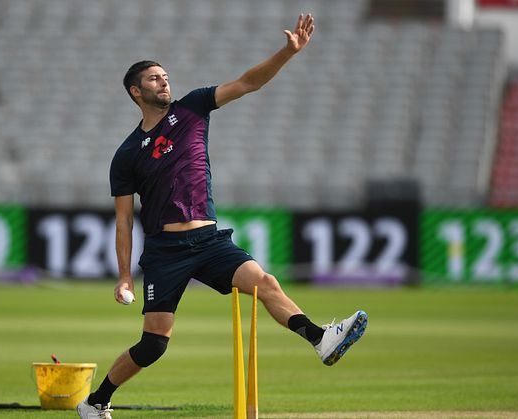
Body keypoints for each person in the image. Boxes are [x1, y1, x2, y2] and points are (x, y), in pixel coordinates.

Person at [78, 14, 367, 419]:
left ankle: (321, 339)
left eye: (165, 76)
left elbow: (249, 82)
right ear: (135, 91)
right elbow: (123, 221)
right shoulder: (127, 154)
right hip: (165, 250)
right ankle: (95, 401)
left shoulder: (194, 107)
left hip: (210, 241)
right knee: (154, 345)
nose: (164, 82)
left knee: (265, 282)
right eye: (154, 79)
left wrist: (288, 52)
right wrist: (125, 275)